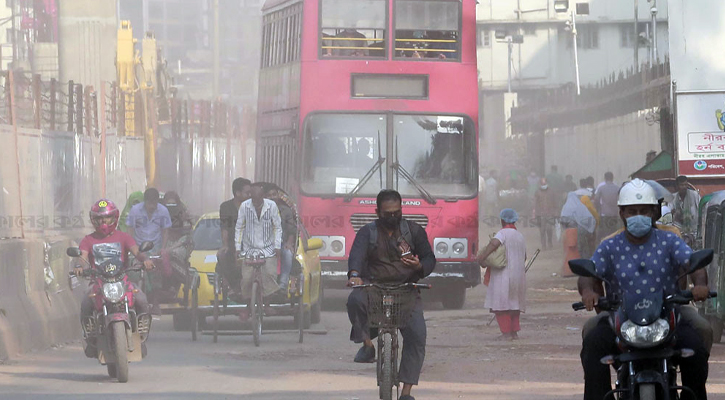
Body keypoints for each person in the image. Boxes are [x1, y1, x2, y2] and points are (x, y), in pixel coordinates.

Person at [578, 179, 711, 400]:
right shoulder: (609, 245)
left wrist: (700, 285)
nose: (638, 215)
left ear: (654, 212)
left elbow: (692, 264)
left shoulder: (670, 240)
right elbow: (588, 274)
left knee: (699, 338)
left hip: (668, 314)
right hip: (620, 317)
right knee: (591, 342)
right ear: (622, 213)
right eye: (632, 211)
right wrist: (588, 292)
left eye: (644, 211)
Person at [346, 189, 436, 400]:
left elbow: (429, 259)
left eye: (397, 212)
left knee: (417, 335)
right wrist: (355, 276)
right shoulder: (367, 232)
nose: (393, 217)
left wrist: (420, 265)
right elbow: (356, 258)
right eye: (388, 213)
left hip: (406, 290)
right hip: (373, 288)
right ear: (378, 212)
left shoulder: (414, 231)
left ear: (401, 210)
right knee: (354, 300)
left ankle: (406, 392)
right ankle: (368, 345)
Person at [75, 199, 154, 358]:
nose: (103, 222)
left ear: (115, 218)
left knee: (141, 300)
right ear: (93, 220)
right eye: (99, 219)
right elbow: (82, 258)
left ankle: (142, 338)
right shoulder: (88, 240)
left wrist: (145, 260)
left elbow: (137, 252)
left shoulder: (123, 237)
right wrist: (79, 268)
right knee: (85, 303)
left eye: (107, 218)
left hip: (122, 281)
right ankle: (91, 339)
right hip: (97, 283)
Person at [476, 208, 527, 341]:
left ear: (502, 220)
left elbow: (494, 244)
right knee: (514, 304)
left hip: (503, 274)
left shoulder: (502, 233)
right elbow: (525, 256)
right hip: (518, 275)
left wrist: (482, 258)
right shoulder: (520, 236)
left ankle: (506, 333)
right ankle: (514, 332)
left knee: (501, 305)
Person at [235, 182, 283, 320]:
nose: (256, 203)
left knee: (269, 274)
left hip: (268, 247)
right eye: (254, 201)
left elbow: (278, 227)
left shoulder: (271, 206)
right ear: (251, 198)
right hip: (249, 248)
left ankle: (267, 304)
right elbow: (239, 227)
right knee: (247, 279)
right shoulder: (244, 206)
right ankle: (248, 307)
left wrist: (277, 246)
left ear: (263, 197)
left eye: (259, 200)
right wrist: (238, 248)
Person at [126, 188, 172, 313]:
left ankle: (156, 303)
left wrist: (162, 248)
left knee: (155, 273)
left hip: (155, 248)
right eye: (149, 203)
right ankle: (132, 302)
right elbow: (130, 229)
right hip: (138, 248)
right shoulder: (135, 211)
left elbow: (165, 231)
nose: (152, 207)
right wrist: (132, 247)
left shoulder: (163, 211)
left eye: (154, 203)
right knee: (133, 274)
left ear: (157, 201)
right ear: (145, 201)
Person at [218, 178, 252, 295]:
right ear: (237, 193)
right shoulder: (226, 207)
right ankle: (234, 285)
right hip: (233, 243)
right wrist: (225, 245)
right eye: (247, 193)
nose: (249, 195)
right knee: (222, 255)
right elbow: (225, 228)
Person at [264, 183, 298, 290]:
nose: (272, 197)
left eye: (274, 194)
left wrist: (289, 243)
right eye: (269, 195)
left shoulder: (285, 211)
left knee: (287, 254)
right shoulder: (260, 210)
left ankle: (283, 284)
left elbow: (291, 229)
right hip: (262, 244)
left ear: (278, 196)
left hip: (282, 243)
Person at [593, 172, 620, 241]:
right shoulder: (617, 188)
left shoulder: (601, 188)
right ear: (612, 178)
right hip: (614, 214)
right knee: (613, 232)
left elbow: (596, 199)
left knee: (604, 233)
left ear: (605, 178)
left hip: (604, 214)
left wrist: (598, 208)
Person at [534, 178, 557, 250]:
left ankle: (549, 241)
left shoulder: (551, 192)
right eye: (542, 184)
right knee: (542, 230)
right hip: (540, 214)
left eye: (545, 184)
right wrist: (535, 213)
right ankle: (543, 245)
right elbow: (535, 203)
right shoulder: (537, 192)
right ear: (540, 184)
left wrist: (555, 212)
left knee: (549, 229)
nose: (544, 185)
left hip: (550, 213)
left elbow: (555, 202)